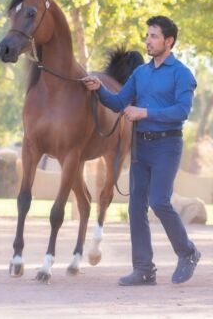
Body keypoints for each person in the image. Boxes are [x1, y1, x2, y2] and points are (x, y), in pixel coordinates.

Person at [83, 16, 200, 286]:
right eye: (147, 35)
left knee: (159, 201)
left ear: (169, 41)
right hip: (140, 147)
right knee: (136, 207)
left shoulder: (182, 73)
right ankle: (144, 269)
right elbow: (118, 103)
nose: (148, 41)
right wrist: (99, 89)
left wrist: (144, 112)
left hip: (167, 146)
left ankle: (188, 252)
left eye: (154, 36)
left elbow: (182, 111)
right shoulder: (140, 74)